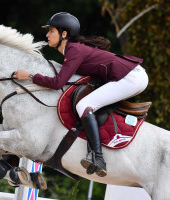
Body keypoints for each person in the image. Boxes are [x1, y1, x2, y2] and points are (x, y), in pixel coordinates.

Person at [13, 12, 148, 177]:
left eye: (51, 31)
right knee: (88, 103)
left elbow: (57, 83)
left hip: (132, 78)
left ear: (64, 34)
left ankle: (98, 158)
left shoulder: (74, 50)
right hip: (130, 75)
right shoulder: (72, 51)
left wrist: (30, 76)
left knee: (84, 105)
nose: (47, 35)